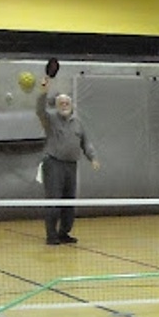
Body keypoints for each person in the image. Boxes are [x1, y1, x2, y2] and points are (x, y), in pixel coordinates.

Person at [35, 77, 100, 245]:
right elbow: (39, 110)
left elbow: (86, 142)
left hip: (71, 165)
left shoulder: (78, 123)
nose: (64, 105)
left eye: (66, 103)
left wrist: (92, 157)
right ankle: (51, 235)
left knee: (69, 202)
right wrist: (43, 91)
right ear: (56, 106)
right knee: (54, 201)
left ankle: (64, 232)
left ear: (71, 106)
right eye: (61, 103)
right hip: (54, 164)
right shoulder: (50, 120)